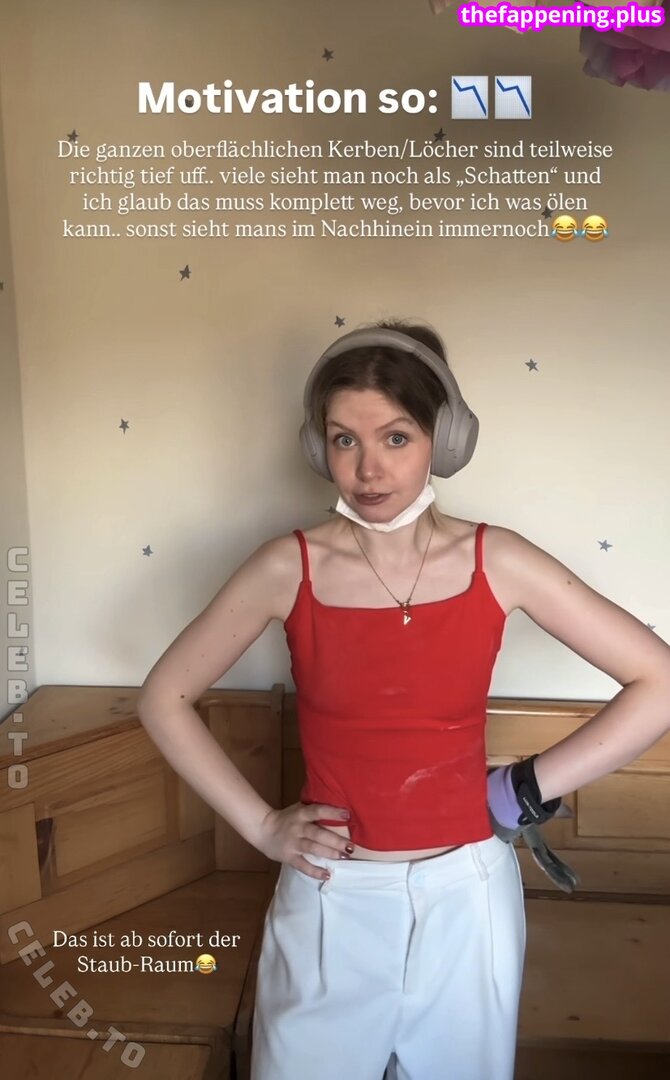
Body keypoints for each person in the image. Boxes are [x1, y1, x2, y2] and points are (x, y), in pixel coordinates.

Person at [137, 319, 670, 1080]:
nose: (367, 468)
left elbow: (659, 681)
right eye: (343, 440)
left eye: (395, 437)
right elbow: (164, 697)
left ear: (441, 439)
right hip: (331, 897)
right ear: (319, 446)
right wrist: (261, 827)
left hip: (469, 899)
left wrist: (522, 789)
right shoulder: (286, 567)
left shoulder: (498, 559)